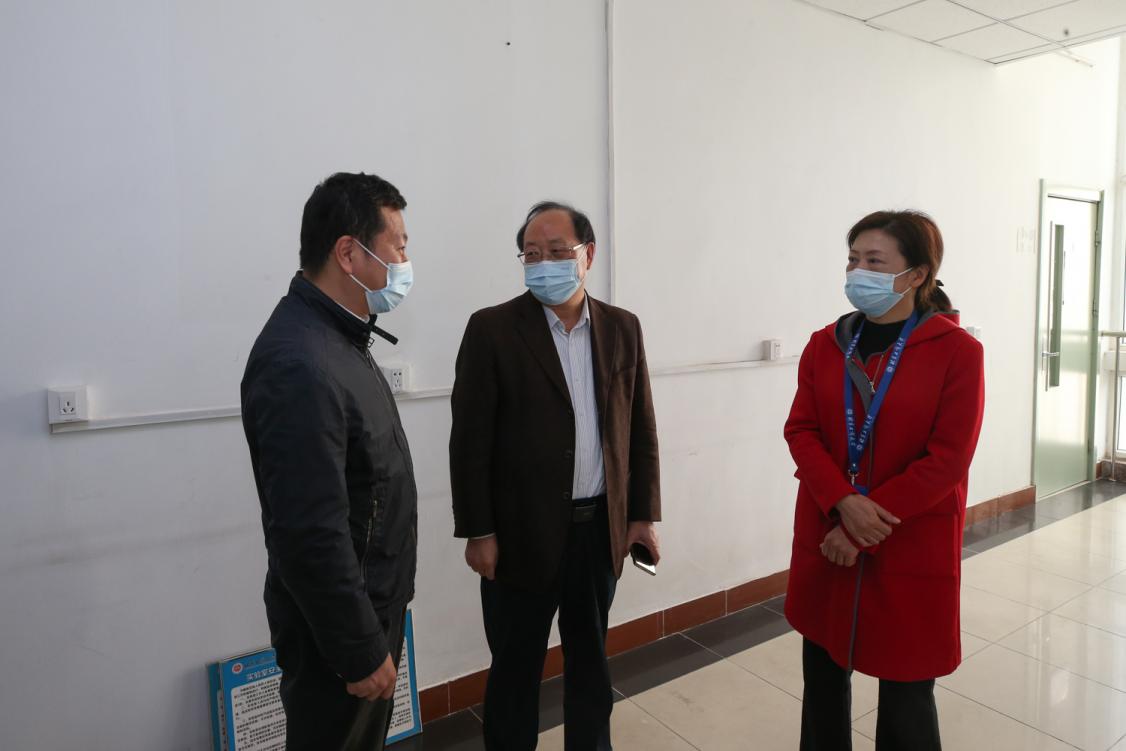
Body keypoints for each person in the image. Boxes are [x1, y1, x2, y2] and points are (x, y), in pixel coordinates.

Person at [450, 201, 662, 751]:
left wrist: (641, 516)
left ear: (588, 255)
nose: (544, 264)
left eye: (557, 252)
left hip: (598, 532)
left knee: (591, 665)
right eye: (532, 254)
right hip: (518, 536)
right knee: (515, 670)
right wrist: (479, 530)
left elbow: (639, 429)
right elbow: (469, 442)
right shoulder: (492, 329)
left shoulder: (622, 327)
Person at [784, 210, 984, 750]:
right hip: (827, 534)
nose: (858, 272)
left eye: (875, 261)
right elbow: (801, 430)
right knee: (823, 682)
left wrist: (858, 526)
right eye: (853, 259)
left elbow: (947, 460)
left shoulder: (957, 353)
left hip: (906, 542)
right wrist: (841, 501)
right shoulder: (827, 344)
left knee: (907, 695)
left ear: (916, 275)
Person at [240, 172, 418, 751]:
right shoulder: (301, 362)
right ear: (349, 253)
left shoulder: (339, 339)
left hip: (366, 607)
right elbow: (308, 531)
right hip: (339, 632)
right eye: (397, 246)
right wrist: (358, 646)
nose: (404, 262)